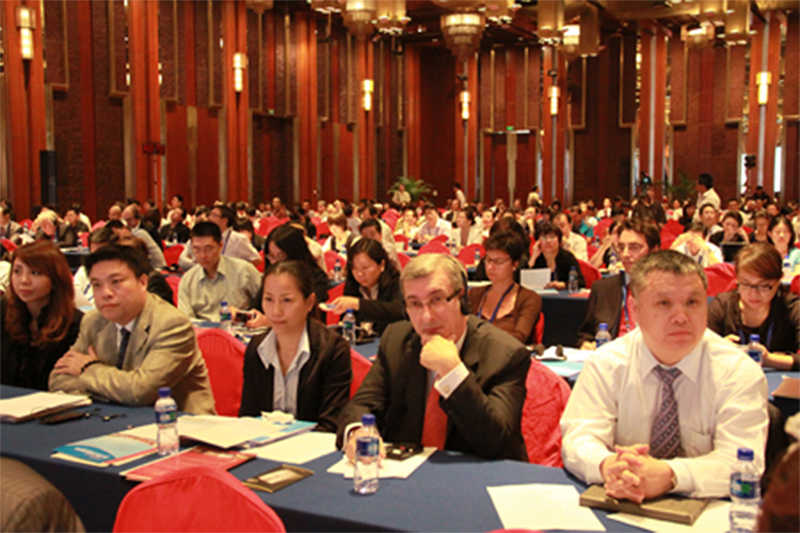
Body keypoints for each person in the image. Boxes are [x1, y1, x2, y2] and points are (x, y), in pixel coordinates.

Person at [561, 250, 768, 500]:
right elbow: (579, 438)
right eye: (664, 303)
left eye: (692, 302)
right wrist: (609, 465)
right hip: (621, 501)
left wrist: (670, 475)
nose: (681, 317)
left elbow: (741, 460)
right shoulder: (606, 364)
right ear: (635, 310)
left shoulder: (738, 371)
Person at [336, 253, 531, 462]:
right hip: (410, 473)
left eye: (437, 299)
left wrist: (453, 373)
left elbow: (496, 443)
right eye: (415, 304)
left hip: (481, 474)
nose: (427, 317)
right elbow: (361, 405)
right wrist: (357, 431)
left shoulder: (505, 354)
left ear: (461, 298)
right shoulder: (396, 340)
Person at [49, 245, 216, 414]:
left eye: (116, 282)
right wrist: (113, 390)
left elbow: (141, 392)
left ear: (142, 282)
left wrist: (88, 368)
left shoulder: (171, 324)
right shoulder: (93, 321)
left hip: (177, 422)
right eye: (96, 285)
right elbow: (59, 379)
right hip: (113, 418)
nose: (105, 293)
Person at [238, 261, 351, 432]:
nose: (276, 311)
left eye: (287, 300)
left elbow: (330, 424)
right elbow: (248, 417)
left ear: (309, 302)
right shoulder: (257, 348)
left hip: (313, 445)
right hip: (263, 444)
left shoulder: (333, 349)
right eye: (269, 299)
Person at [1, 242, 83, 390]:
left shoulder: (75, 324)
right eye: (17, 271)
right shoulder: (3, 311)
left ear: (55, 279)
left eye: (35, 273)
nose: (24, 280)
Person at [708, 243, 800, 370]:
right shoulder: (722, 305)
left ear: (778, 281)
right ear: (737, 280)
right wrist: (717, 349)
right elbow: (697, 353)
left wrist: (769, 359)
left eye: (763, 286)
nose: (753, 293)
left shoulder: (792, 308)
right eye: (745, 284)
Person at [578, 220, 661, 349]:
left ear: (654, 251)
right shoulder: (603, 288)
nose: (625, 254)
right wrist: (586, 344)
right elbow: (586, 335)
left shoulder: (670, 290)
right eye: (621, 248)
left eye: (634, 247)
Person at [469, 231, 541, 345]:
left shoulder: (529, 299)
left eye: (499, 262)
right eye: (488, 260)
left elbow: (519, 338)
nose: (490, 267)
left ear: (515, 264)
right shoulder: (474, 294)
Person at [178, 222, 261, 321]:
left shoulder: (244, 270)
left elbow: (265, 307)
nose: (202, 255)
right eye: (197, 249)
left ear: (220, 245)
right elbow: (186, 319)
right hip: (202, 329)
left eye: (208, 249)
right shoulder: (188, 280)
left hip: (237, 327)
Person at [328, 238, 404, 335]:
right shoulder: (352, 283)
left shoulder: (396, 282)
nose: (360, 274)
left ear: (382, 265)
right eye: (354, 268)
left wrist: (358, 304)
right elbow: (346, 320)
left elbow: (398, 311)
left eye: (365, 267)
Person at [178, 204, 260, 270]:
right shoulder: (202, 236)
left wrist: (236, 270)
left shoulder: (238, 239)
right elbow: (182, 259)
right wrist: (200, 266)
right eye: (209, 215)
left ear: (224, 221)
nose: (209, 218)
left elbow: (256, 259)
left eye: (214, 215)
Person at [528, 223, 585, 290]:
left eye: (552, 237)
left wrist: (563, 284)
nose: (548, 241)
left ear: (559, 240)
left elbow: (581, 282)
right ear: (538, 241)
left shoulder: (567, 257)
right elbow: (522, 281)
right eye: (544, 237)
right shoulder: (535, 258)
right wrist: (533, 258)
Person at [120, 205, 167, 269]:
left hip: (153, 263)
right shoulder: (127, 229)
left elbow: (159, 248)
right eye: (125, 220)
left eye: (129, 219)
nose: (127, 222)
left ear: (137, 216)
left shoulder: (149, 229)